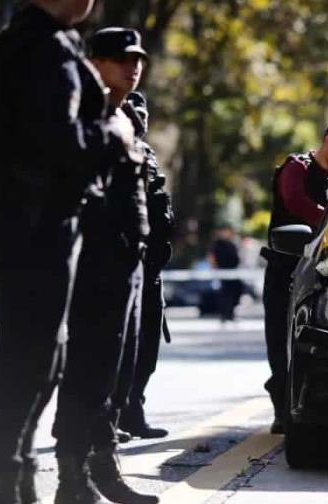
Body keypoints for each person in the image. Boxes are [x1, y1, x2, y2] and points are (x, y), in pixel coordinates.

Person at [0, 1, 137, 503]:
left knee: (41, 360)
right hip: (35, 227)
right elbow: (59, 144)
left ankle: (17, 486)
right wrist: (114, 133)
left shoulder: (27, 41)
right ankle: (5, 491)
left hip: (32, 224)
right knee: (26, 361)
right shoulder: (41, 48)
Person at [50, 27, 157, 504]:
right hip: (93, 258)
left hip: (129, 260)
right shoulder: (80, 113)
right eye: (120, 59)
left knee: (119, 368)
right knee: (87, 369)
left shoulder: (128, 116)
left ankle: (104, 467)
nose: (132, 67)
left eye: (137, 59)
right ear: (94, 63)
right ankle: (71, 477)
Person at [261, 120, 328, 434]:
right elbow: (295, 202)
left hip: (324, 272)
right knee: (281, 342)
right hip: (286, 269)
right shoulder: (297, 168)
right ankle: (282, 406)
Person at [117, 90, 174, 442]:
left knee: (147, 344)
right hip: (122, 261)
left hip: (151, 264)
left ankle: (133, 411)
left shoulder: (147, 153)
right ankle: (106, 419)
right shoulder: (112, 146)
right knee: (117, 345)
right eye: (133, 110)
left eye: (143, 112)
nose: (141, 117)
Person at [208, 224, 243, 322]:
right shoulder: (217, 244)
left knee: (235, 292)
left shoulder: (232, 244)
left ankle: (231, 314)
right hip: (222, 273)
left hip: (233, 273)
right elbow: (211, 257)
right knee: (224, 294)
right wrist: (215, 270)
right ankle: (225, 315)